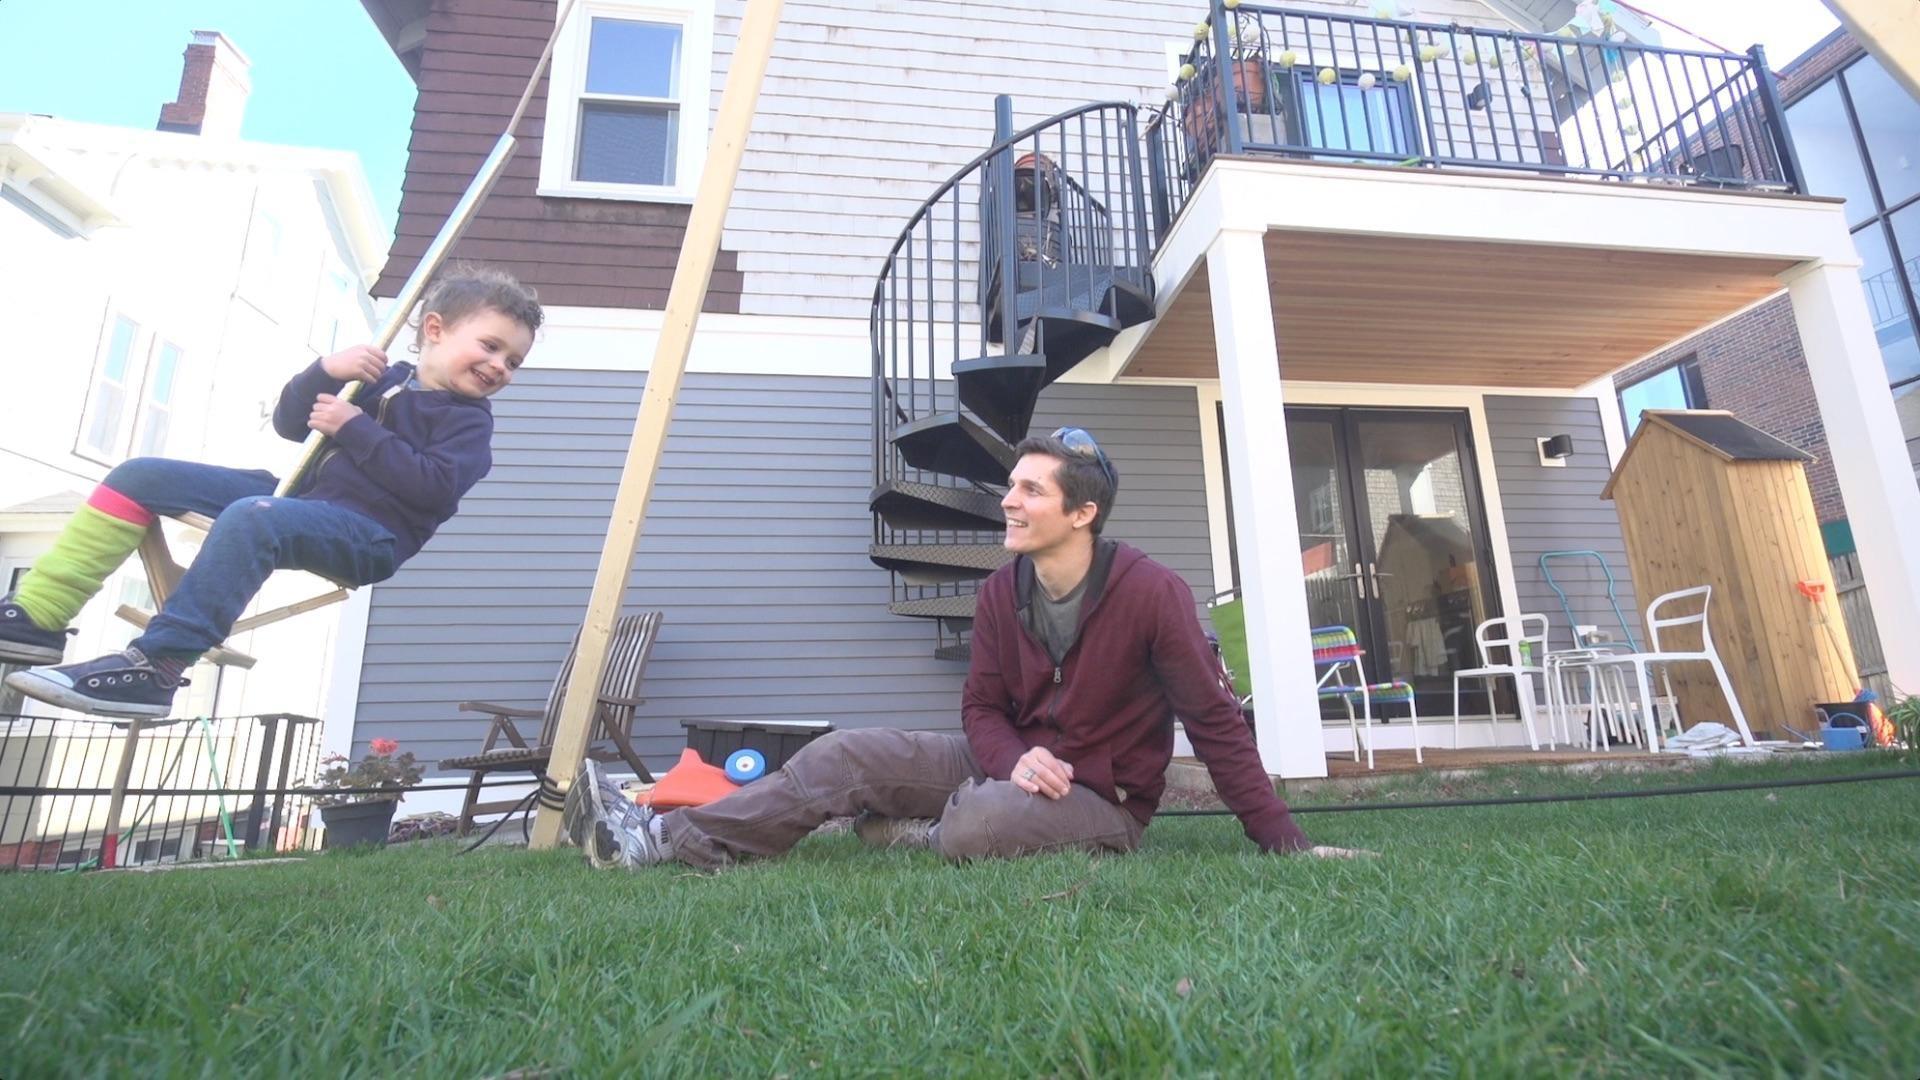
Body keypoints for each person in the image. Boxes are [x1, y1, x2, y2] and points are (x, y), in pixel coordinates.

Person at [566, 426, 1367, 867]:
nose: (1007, 502)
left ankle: (920, 826)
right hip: (1004, 763)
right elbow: (980, 706)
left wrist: (1286, 842)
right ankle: (668, 839)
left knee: (981, 826)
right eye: (1011, 486)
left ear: (1081, 514)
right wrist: (1014, 754)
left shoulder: (1153, 594)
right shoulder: (998, 591)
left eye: (1029, 491)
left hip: (1103, 801)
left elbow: (1217, 722)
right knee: (846, 755)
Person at [0, 263, 542, 718]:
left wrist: (356, 428)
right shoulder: (376, 375)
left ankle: (156, 668)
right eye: (491, 346)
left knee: (255, 515)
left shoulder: (468, 423)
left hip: (370, 535)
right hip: (297, 497)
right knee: (139, 476)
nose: (499, 366)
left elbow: (433, 489)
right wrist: (324, 370)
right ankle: (41, 615)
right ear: (435, 329)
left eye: (513, 361)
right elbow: (290, 424)